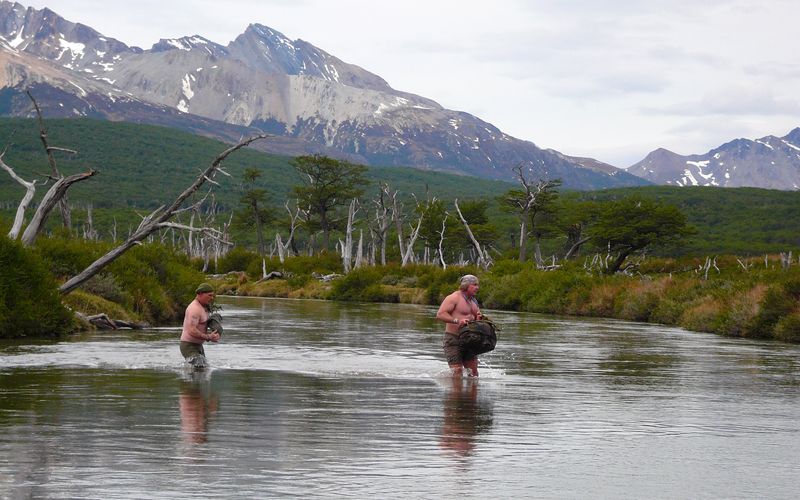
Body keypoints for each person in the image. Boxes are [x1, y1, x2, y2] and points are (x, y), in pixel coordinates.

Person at [436, 274, 483, 377]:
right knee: (457, 372)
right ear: (466, 285)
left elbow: (475, 319)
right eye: (474, 285)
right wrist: (457, 320)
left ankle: (472, 392)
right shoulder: (453, 298)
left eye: (477, 285)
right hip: (453, 339)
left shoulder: (473, 301)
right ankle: (457, 393)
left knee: (474, 373)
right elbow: (440, 314)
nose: (477, 288)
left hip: (469, 340)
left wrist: (479, 319)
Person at [180, 283, 220, 364]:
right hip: (188, 345)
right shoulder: (194, 309)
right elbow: (191, 330)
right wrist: (208, 337)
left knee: (204, 369)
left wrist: (215, 332)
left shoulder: (204, 306)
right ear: (200, 294)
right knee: (199, 367)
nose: (212, 298)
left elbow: (202, 325)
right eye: (209, 295)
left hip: (199, 346)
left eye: (213, 296)